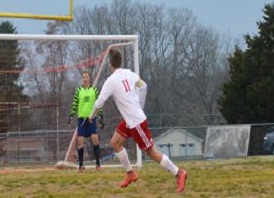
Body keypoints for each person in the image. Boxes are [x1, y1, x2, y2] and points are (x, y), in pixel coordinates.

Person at [87, 48, 187, 192]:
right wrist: (140, 105)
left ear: (110, 64)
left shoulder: (111, 81)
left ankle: (179, 173)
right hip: (130, 120)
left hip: (136, 122)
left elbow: (99, 102)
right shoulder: (130, 74)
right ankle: (130, 173)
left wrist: (92, 116)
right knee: (115, 143)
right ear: (120, 61)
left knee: (151, 152)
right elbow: (143, 86)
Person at [68, 70, 103, 171]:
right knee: (80, 142)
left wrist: (101, 117)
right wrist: (70, 117)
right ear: (82, 79)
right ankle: (81, 165)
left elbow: (99, 105)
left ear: (89, 78)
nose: (85, 79)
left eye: (86, 77)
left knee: (95, 140)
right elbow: (74, 105)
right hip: (81, 120)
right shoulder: (79, 90)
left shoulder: (94, 90)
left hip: (92, 120)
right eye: (83, 77)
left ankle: (98, 165)